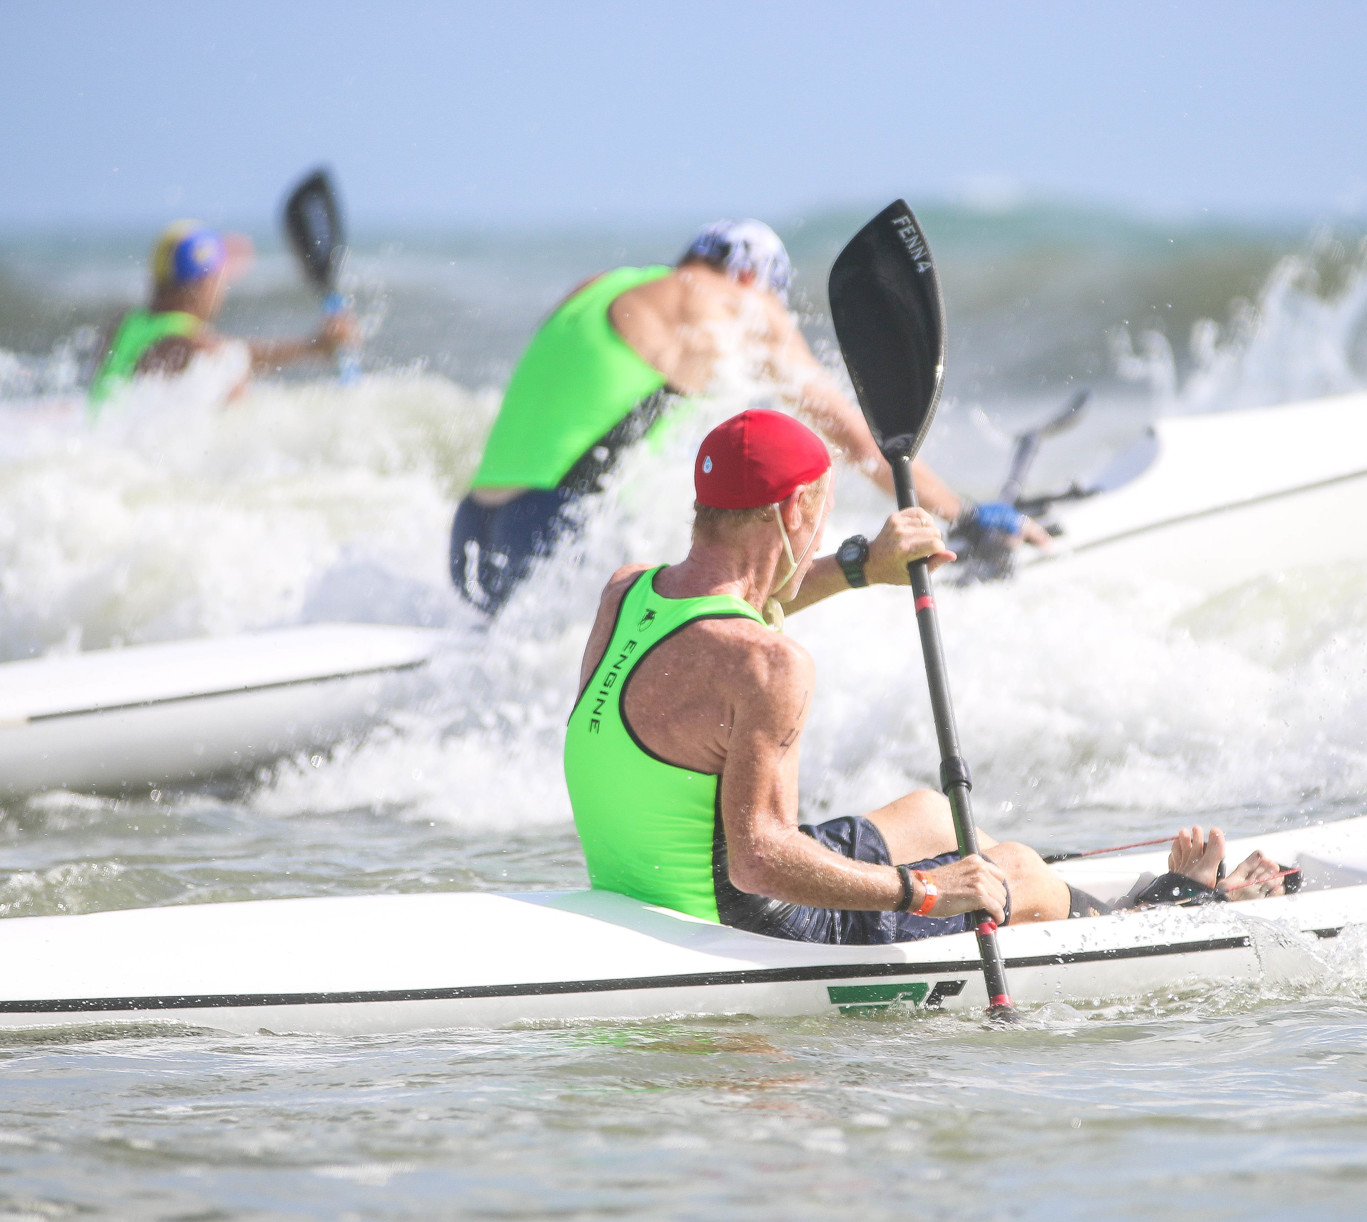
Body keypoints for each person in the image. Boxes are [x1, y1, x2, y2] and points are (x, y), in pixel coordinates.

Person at [562, 408, 1277, 946]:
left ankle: (1026, 899)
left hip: (651, 883)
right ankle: (1164, 916)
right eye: (823, 513)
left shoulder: (630, 594)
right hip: (744, 924)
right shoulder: (769, 665)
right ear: (793, 510)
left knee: (935, 814)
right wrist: (925, 891)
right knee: (1015, 869)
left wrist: (856, 566)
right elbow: (759, 860)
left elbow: (734, 608)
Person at [450, 218, 1045, 615]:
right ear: (751, 279)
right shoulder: (738, 301)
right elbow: (854, 434)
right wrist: (959, 515)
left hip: (473, 529)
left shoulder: (601, 286)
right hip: (548, 532)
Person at [87, 220, 356, 409]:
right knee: (235, 383)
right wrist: (313, 348)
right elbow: (232, 356)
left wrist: (313, 348)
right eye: (220, 280)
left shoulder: (125, 324)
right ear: (202, 285)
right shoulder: (188, 342)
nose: (222, 290)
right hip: (133, 467)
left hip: (108, 452)